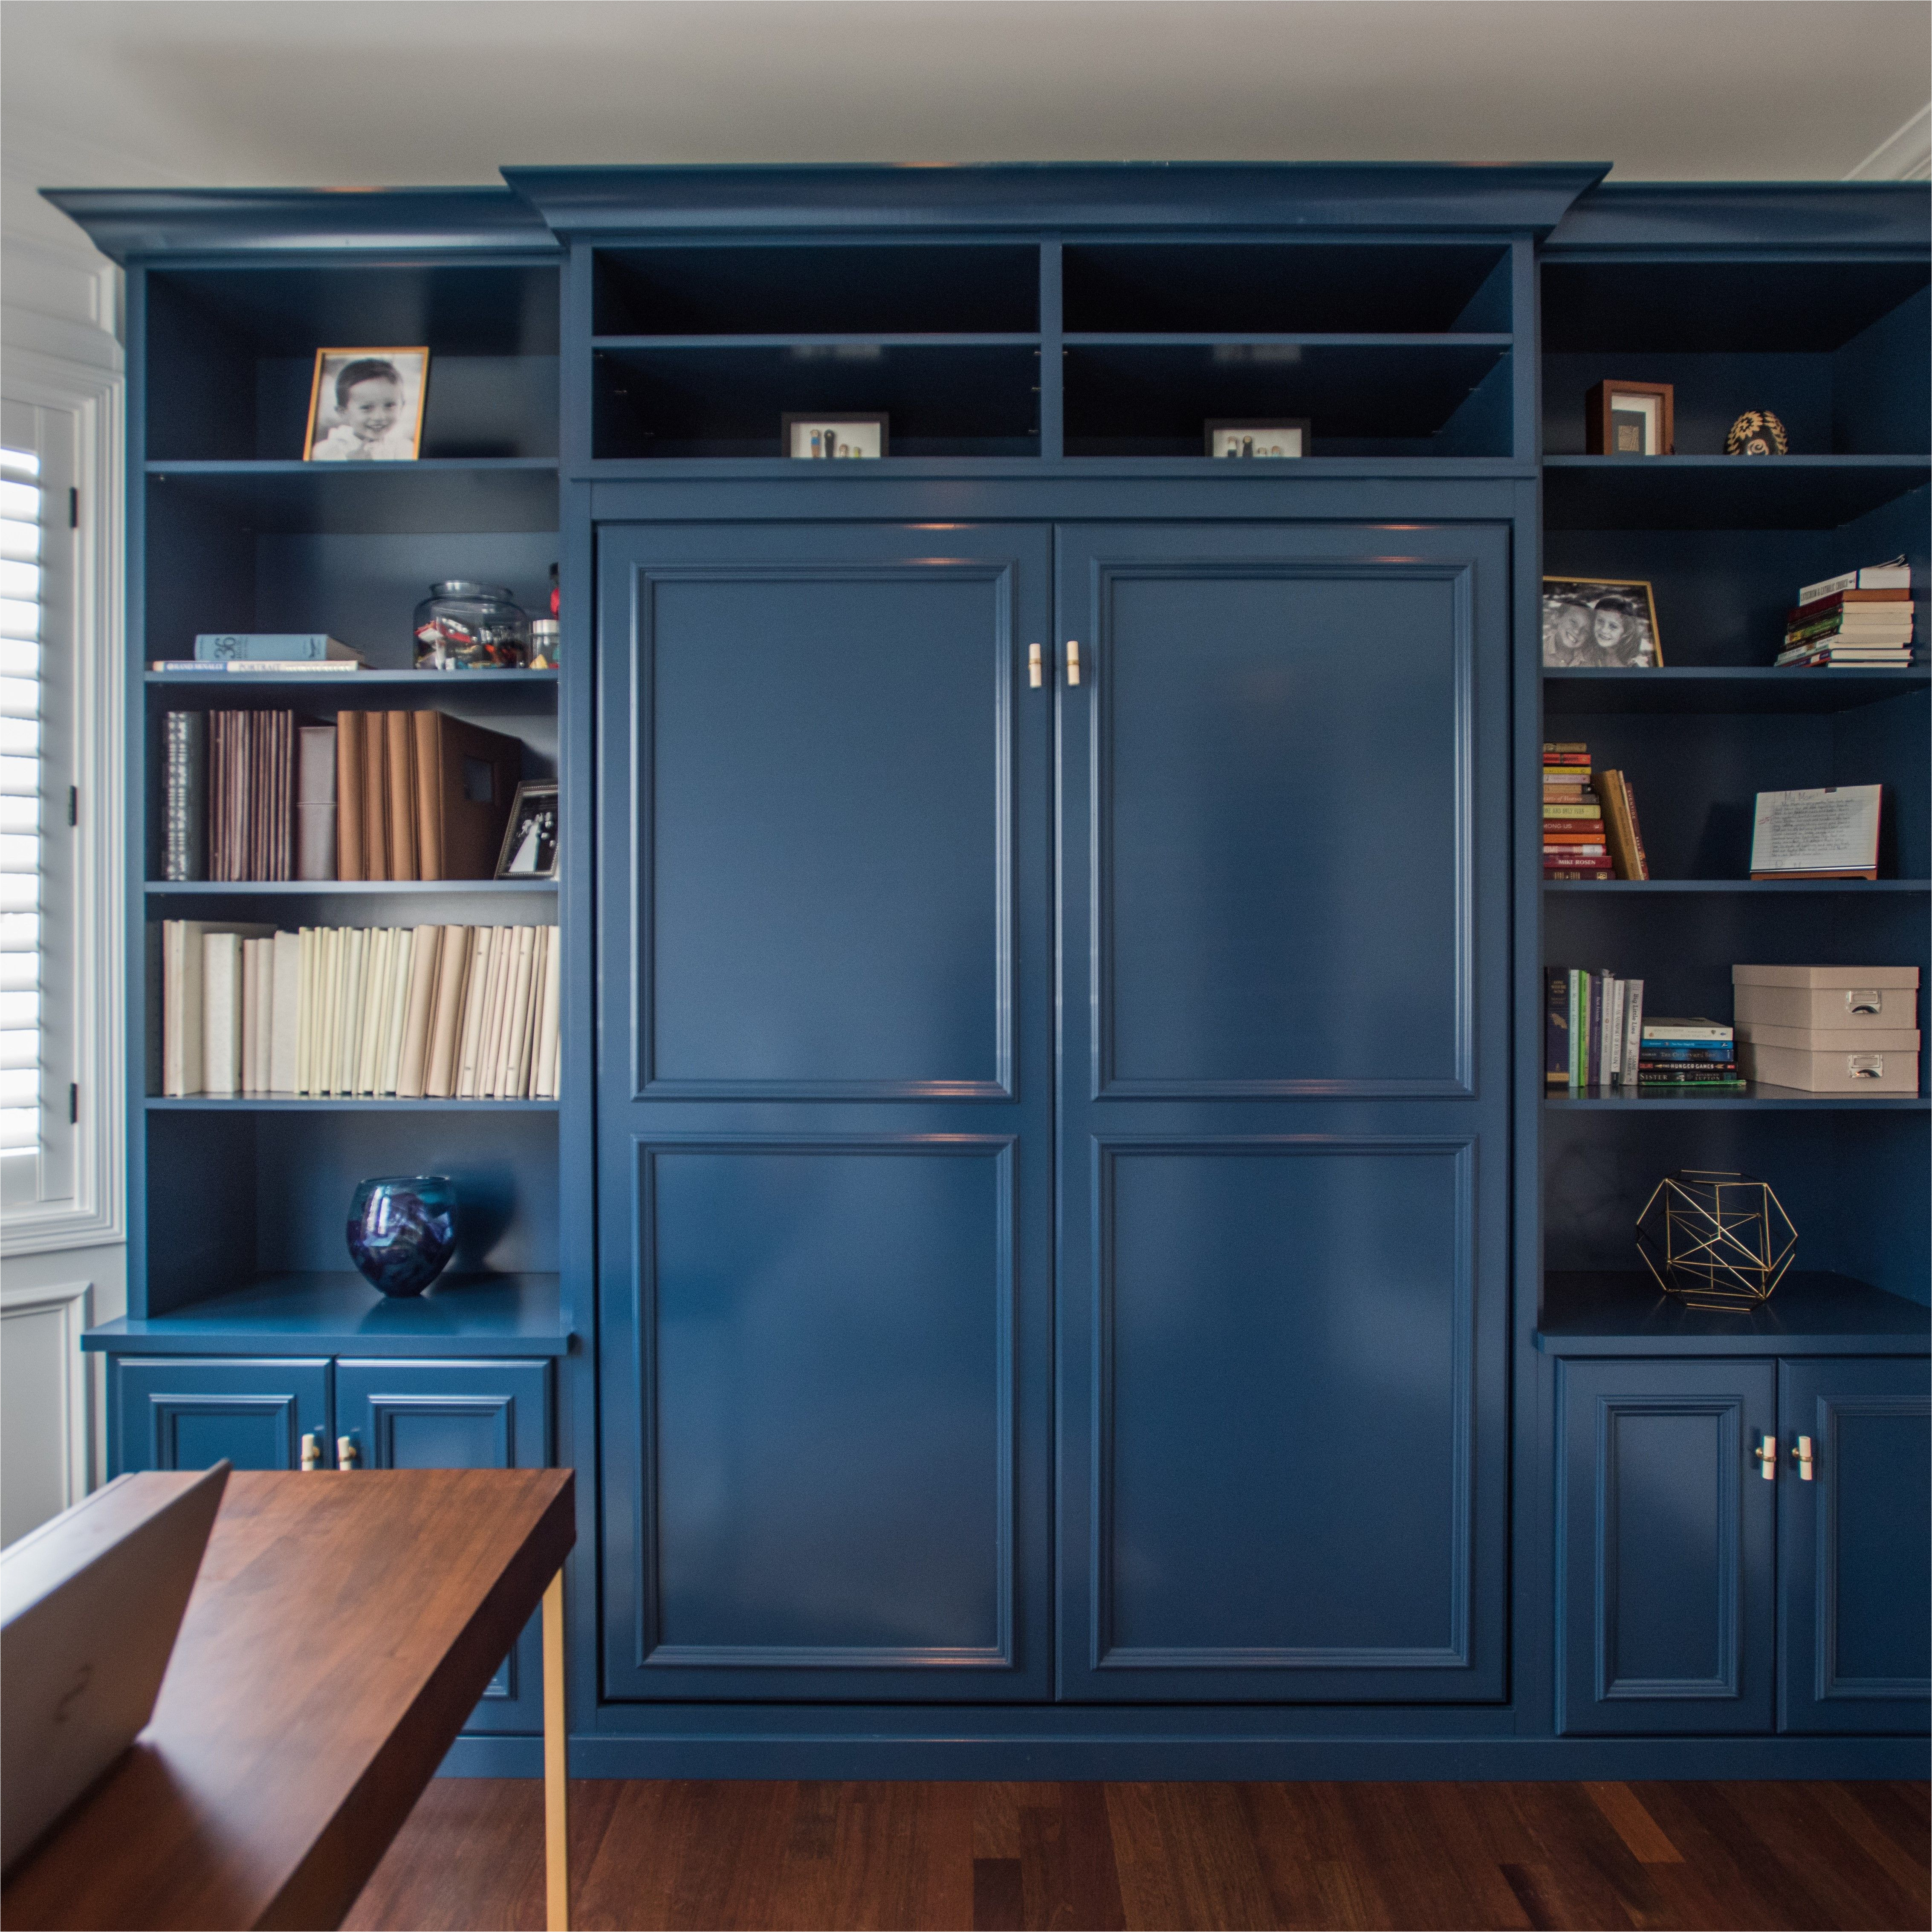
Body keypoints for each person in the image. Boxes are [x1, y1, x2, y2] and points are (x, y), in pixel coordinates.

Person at [310, 358, 416, 460]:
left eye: (389, 406)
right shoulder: (326, 452)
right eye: (367, 408)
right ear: (343, 412)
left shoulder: (407, 449)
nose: (379, 417)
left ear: (402, 407)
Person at [1589, 594, 1649, 666]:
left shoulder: (1632, 665)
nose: (1604, 630)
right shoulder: (1591, 651)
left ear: (1626, 631)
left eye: (1613, 626)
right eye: (1600, 621)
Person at [1544, 597, 1594, 666]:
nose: (1577, 631)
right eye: (1573, 622)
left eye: (1585, 631)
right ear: (1557, 618)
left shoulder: (1592, 660)